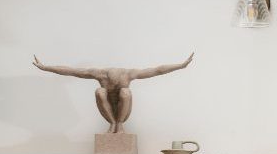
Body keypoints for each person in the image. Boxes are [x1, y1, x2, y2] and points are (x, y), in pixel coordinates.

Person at [33, 53, 194, 134]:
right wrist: (45, 67)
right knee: (99, 91)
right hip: (108, 108)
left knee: (125, 92)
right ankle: (112, 123)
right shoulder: (99, 74)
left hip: (124, 107)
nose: (114, 85)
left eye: (116, 82)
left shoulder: (129, 74)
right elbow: (71, 71)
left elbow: (157, 70)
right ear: (106, 77)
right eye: (111, 82)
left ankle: (120, 124)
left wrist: (181, 65)